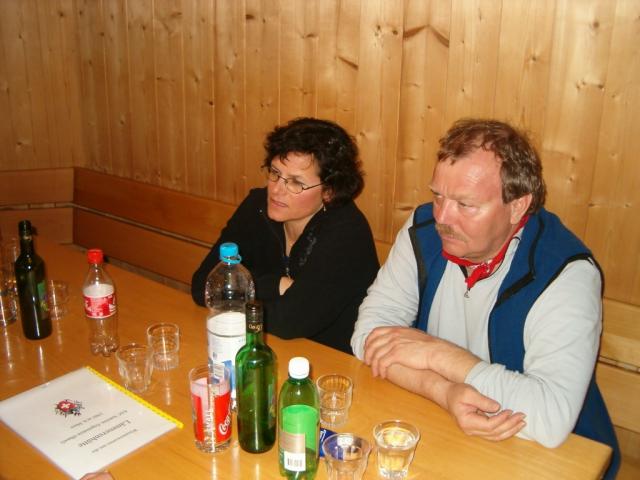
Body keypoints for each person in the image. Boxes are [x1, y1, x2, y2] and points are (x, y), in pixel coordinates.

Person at [351, 118, 619, 478]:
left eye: (465, 204)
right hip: (447, 428)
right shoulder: (422, 229)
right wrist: (443, 391)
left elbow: (550, 417)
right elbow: (366, 336)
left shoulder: (565, 272)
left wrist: (436, 353)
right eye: (438, 195)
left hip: (551, 456)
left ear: (517, 207)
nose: (442, 217)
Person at [192, 117, 379, 353]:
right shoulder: (257, 207)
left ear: (329, 192)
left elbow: (289, 321)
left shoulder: (347, 233)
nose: (277, 190)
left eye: (296, 183)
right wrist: (276, 284)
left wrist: (237, 288)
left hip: (334, 359)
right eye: (275, 173)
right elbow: (203, 285)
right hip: (268, 345)